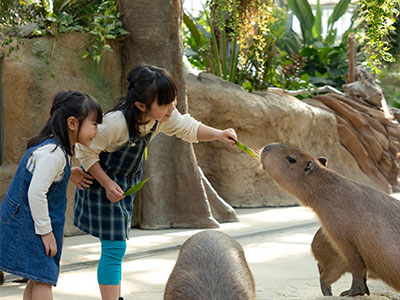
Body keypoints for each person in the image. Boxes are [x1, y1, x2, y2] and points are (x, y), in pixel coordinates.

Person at [73, 64, 238, 300]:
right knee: (114, 248)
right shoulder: (115, 123)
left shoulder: (162, 117)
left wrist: (219, 134)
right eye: (165, 103)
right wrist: (107, 183)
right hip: (102, 183)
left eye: (174, 100)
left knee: (115, 248)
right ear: (141, 105)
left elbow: (188, 128)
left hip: (123, 186)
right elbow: (85, 150)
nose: (172, 107)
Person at [0, 90, 102, 300]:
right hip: (31, 226)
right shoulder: (54, 153)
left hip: (30, 223)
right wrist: (46, 232)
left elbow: (41, 177)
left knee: (37, 276)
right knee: (44, 278)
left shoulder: (53, 149)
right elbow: (36, 192)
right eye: (94, 124)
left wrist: (67, 173)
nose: (97, 131)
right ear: (72, 123)